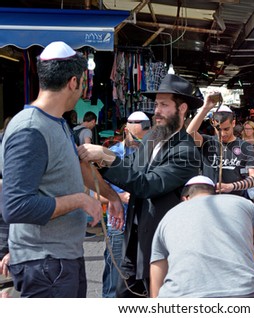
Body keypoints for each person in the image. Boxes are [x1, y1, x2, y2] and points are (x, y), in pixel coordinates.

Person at [0, 41, 124, 298]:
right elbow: (15, 207)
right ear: (73, 82)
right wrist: (79, 200)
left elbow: (76, 168)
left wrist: (111, 197)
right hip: (44, 263)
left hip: (60, 259)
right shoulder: (30, 130)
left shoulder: (57, 123)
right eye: (82, 83)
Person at [78, 74, 202, 297]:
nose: (157, 111)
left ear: (182, 108)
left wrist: (107, 158)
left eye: (164, 105)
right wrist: (104, 156)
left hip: (160, 250)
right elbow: (133, 169)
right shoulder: (152, 137)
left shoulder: (186, 152)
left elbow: (147, 185)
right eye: (156, 105)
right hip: (132, 242)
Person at [150, 175, 254, 298]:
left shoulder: (169, 216)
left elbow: (156, 275)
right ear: (215, 195)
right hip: (241, 295)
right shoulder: (245, 204)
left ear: (185, 198)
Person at [102, 111, 150, 298]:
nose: (138, 141)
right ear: (125, 130)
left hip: (142, 222)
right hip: (118, 225)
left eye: (142, 137)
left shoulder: (151, 154)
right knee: (116, 273)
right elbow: (94, 193)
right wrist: (119, 197)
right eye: (134, 136)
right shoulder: (111, 154)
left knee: (137, 273)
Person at [187, 98, 254, 197]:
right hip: (209, 200)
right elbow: (190, 133)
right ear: (213, 124)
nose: (222, 133)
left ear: (233, 123)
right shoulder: (207, 142)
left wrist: (232, 186)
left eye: (226, 129)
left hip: (235, 199)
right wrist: (205, 108)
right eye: (218, 129)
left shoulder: (245, 147)